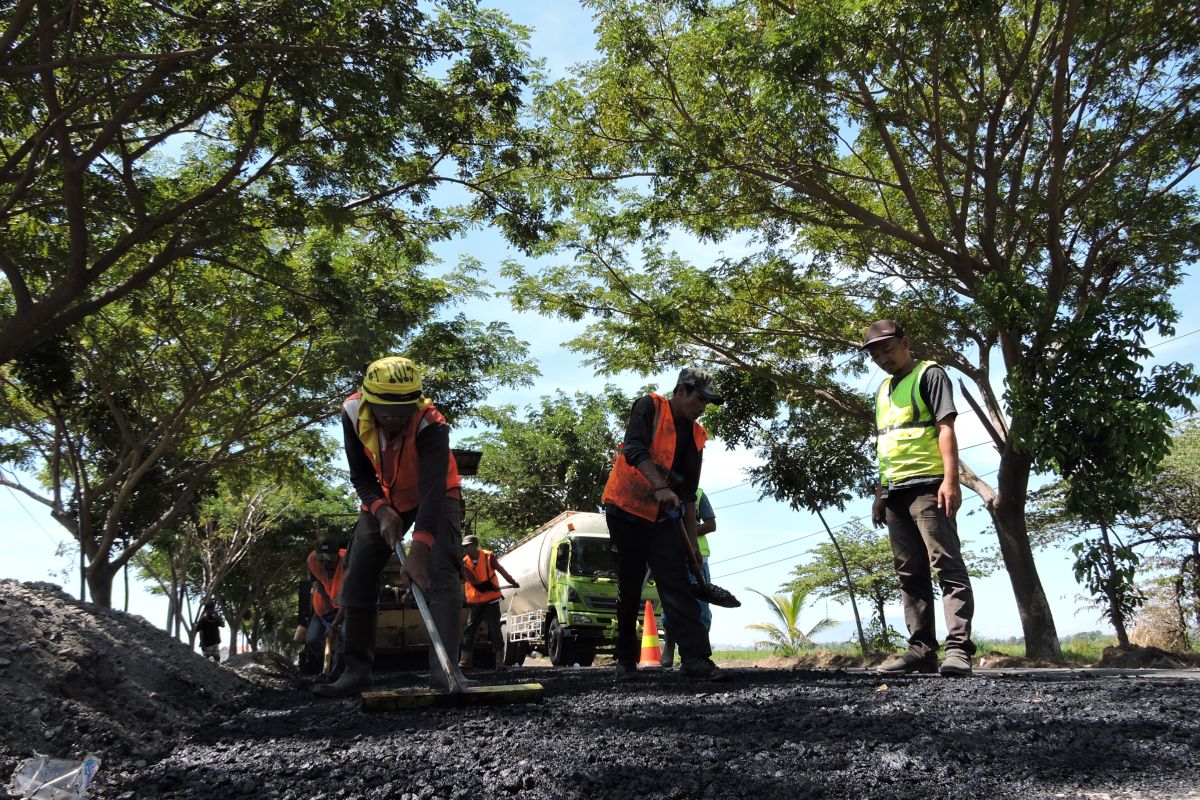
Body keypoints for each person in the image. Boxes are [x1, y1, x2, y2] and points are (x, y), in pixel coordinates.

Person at [315, 356, 467, 698]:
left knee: (441, 571)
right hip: (384, 495)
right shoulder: (352, 413)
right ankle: (355, 672)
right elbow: (361, 476)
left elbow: (431, 492)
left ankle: (446, 673)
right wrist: (382, 510)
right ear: (369, 400)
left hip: (437, 494)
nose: (395, 418)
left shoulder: (432, 423)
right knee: (357, 573)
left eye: (403, 411)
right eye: (386, 410)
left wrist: (419, 550)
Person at [861, 320, 975, 677]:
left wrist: (951, 480)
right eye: (876, 353)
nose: (883, 358)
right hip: (895, 490)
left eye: (888, 349)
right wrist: (879, 494)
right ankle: (921, 649)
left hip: (929, 485)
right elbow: (885, 445)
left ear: (905, 343)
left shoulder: (930, 374)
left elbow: (946, 427)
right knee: (909, 572)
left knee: (946, 564)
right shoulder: (881, 391)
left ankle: (958, 650)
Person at [602, 367, 728, 682]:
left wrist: (692, 549)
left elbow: (687, 497)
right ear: (682, 391)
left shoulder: (696, 436)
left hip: (661, 519)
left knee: (677, 581)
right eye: (700, 399)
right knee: (629, 585)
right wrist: (660, 485)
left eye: (707, 403)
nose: (702, 407)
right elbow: (633, 449)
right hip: (625, 509)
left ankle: (696, 659)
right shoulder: (650, 407)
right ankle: (625, 661)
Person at [661, 487, 717, 668]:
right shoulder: (661, 492)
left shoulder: (699, 493)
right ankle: (669, 645)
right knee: (672, 607)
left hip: (699, 560)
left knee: (701, 609)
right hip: (671, 558)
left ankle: (700, 654)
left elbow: (711, 524)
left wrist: (688, 533)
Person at [459, 534, 520, 669]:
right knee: (470, 630)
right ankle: (464, 662)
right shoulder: (464, 563)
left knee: (495, 629)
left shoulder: (488, 557)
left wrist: (512, 582)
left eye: (466, 546)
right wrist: (490, 586)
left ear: (474, 545)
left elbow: (501, 570)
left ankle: (499, 663)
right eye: (463, 547)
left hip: (491, 601)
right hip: (476, 603)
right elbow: (476, 584)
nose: (464, 549)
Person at [300, 533, 347, 679]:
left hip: (344, 610)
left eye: (330, 561)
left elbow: (348, 600)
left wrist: (334, 626)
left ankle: (339, 674)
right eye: (323, 560)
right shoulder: (312, 560)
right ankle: (329, 667)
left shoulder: (348, 562)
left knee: (343, 639)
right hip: (323, 611)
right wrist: (326, 612)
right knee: (312, 639)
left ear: (337, 555)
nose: (326, 564)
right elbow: (319, 582)